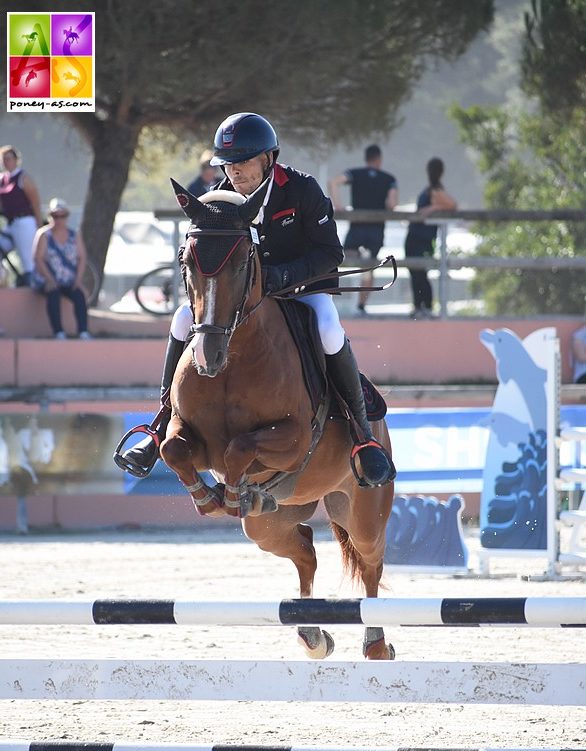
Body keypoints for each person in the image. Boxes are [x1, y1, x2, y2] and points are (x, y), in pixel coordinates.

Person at [115, 112, 395, 489]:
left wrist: (282, 277)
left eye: (243, 161)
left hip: (302, 292)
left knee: (328, 328)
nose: (235, 172)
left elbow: (331, 253)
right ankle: (159, 425)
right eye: (228, 164)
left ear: (268, 158)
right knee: (183, 318)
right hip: (242, 302)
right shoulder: (217, 201)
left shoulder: (302, 190)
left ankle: (363, 437)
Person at [329, 145, 398, 315]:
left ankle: (329, 298)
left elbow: (333, 182)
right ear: (379, 159)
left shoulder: (356, 174)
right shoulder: (389, 179)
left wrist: (338, 205)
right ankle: (361, 306)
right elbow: (392, 204)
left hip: (356, 229)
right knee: (369, 266)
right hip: (375, 231)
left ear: (366, 158)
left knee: (343, 259)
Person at [31, 198, 92, 340]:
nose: (59, 219)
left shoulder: (74, 235)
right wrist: (50, 279)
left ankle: (83, 331)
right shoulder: (44, 235)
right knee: (54, 294)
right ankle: (58, 332)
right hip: (47, 279)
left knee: (79, 295)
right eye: (55, 216)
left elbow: (82, 257)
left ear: (67, 216)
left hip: (68, 280)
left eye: (62, 216)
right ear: (50, 216)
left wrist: (78, 280)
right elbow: (38, 259)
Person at [404, 157, 457, 319]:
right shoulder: (430, 190)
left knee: (420, 273)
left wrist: (433, 208)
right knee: (415, 271)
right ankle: (419, 305)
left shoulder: (435, 190)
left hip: (423, 237)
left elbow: (453, 205)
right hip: (416, 235)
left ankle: (425, 305)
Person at [0, 145, 43, 286]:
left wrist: (39, 227)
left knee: (27, 259)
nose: (6, 162)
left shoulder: (23, 178)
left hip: (25, 222)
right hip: (10, 223)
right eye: (4, 159)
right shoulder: (2, 179)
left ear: (16, 160)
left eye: (9, 158)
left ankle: (32, 287)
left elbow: (35, 203)